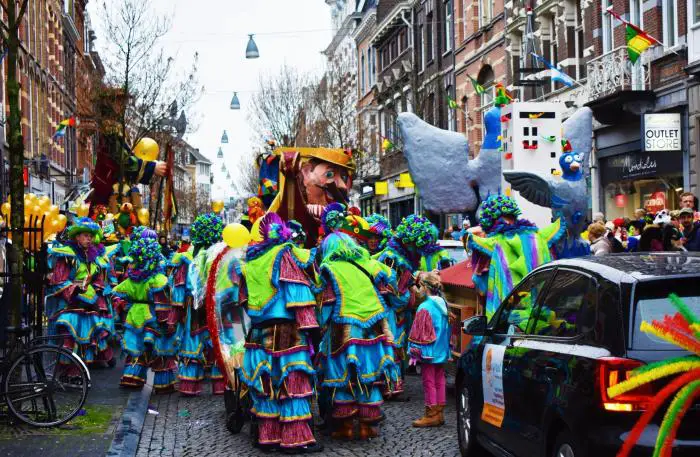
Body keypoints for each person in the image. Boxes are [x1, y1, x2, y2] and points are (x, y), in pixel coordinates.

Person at [241, 213, 322, 453]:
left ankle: (269, 436)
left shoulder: (251, 261)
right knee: (292, 384)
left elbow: (244, 300)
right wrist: (311, 329)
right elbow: (297, 292)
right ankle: (294, 440)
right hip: (287, 331)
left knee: (266, 386)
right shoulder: (283, 254)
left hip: (257, 332)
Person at [317, 232, 400, 440]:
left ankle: (345, 426)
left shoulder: (329, 269)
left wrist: (319, 325)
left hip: (343, 329)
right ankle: (367, 427)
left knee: (343, 377)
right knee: (370, 375)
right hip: (375, 327)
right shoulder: (370, 263)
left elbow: (326, 306)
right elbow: (391, 286)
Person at [468, 195, 564, 318]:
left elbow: (481, 285)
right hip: (545, 317)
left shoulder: (494, 242)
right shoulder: (540, 236)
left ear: (490, 221)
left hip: (510, 321)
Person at [112, 228, 178, 392]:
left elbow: (116, 294)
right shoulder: (159, 279)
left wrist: (125, 306)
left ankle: (132, 378)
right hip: (153, 316)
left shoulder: (131, 279)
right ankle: (163, 384)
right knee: (160, 348)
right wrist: (169, 322)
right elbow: (164, 302)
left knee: (137, 348)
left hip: (135, 315)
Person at [46, 217, 115, 368]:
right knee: (71, 327)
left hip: (90, 299)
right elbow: (59, 280)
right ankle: (72, 367)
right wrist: (75, 290)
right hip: (71, 301)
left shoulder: (92, 255)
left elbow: (98, 276)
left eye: (90, 236)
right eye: (85, 236)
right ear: (77, 237)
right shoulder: (68, 255)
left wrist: (97, 286)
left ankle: (97, 358)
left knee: (95, 326)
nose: (89, 239)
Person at [173, 213, 227, 395]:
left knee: (192, 342)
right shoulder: (222, 254)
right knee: (218, 343)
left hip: (194, 308)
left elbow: (179, 288)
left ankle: (190, 386)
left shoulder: (186, 256)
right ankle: (220, 385)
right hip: (216, 307)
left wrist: (176, 313)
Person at [407, 271, 450, 428]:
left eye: (419, 286)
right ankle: (439, 413)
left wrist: (414, 351)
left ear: (425, 287)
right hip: (441, 350)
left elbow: (418, 333)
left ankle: (431, 413)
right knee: (440, 379)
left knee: (428, 381)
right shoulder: (443, 304)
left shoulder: (425, 307)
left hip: (429, 352)